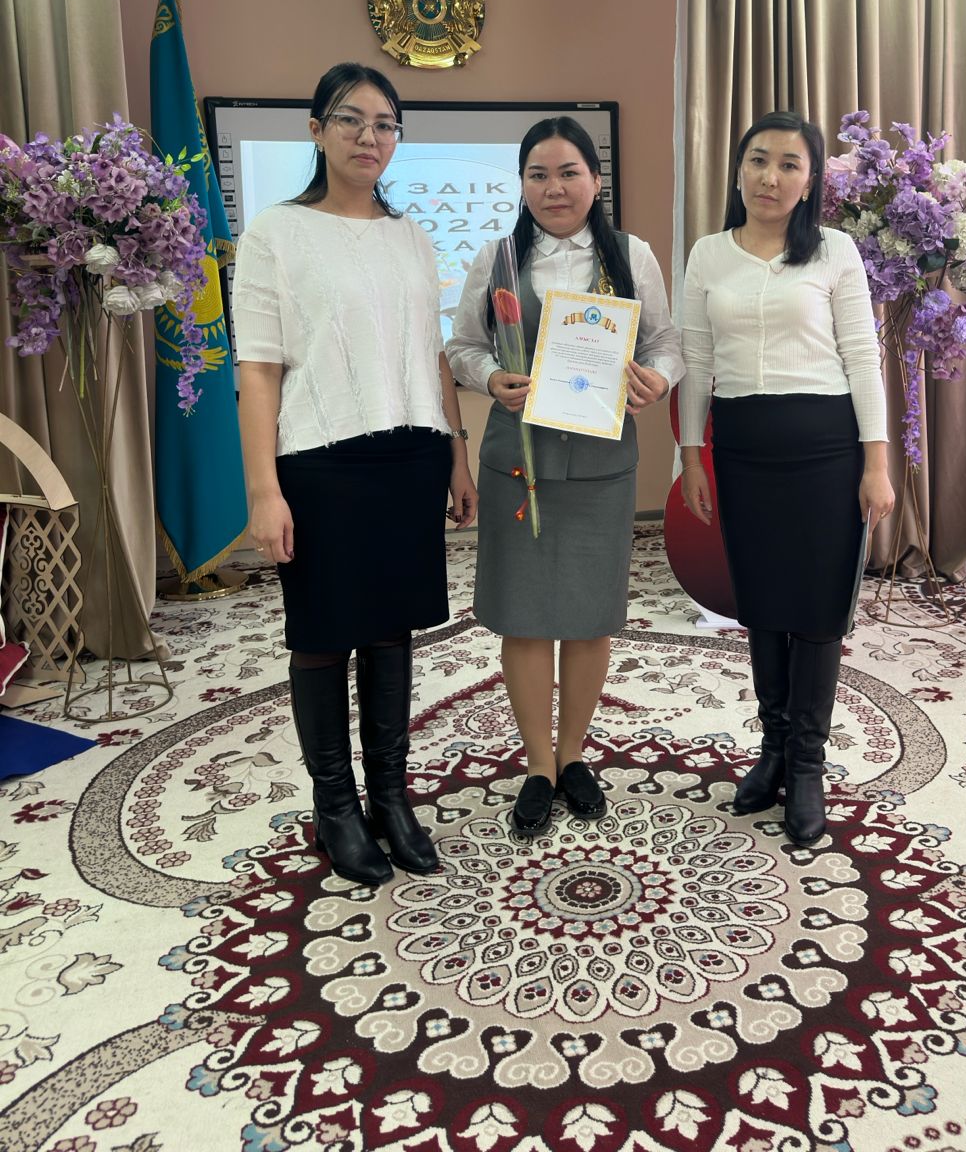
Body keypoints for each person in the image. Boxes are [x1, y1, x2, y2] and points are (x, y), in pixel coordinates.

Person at [231, 62, 478, 885]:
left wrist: (456, 453)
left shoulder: (411, 235)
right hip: (320, 460)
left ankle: (391, 798)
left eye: (385, 123)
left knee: (390, 629)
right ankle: (335, 807)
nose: (369, 137)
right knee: (322, 634)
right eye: (350, 119)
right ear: (316, 130)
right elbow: (259, 368)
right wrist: (264, 490)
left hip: (410, 456)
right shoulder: (275, 232)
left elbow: (431, 354)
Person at [447, 117, 683, 837]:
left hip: (601, 467)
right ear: (522, 184)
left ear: (596, 180)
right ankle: (538, 765)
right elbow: (461, 347)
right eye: (539, 175)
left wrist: (658, 379)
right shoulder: (496, 258)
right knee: (524, 617)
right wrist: (490, 377)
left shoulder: (630, 256)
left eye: (569, 172)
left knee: (587, 615)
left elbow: (666, 343)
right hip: (517, 460)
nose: (555, 188)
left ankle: (574, 754)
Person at [678, 111, 894, 847]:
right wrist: (690, 456)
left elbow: (862, 357)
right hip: (743, 450)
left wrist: (876, 464)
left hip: (826, 450)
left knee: (818, 609)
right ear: (738, 169)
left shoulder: (834, 251)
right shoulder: (708, 255)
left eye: (789, 164)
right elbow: (697, 361)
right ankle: (771, 749)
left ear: (810, 181)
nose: (770, 176)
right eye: (758, 160)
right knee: (763, 606)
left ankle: (807, 765)